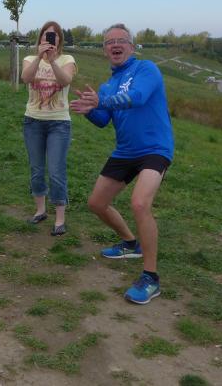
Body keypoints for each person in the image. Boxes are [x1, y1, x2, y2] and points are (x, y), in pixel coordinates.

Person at [70, 23, 174, 305]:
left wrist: (101, 101)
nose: (115, 45)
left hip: (155, 148)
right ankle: (130, 243)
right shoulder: (108, 85)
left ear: (132, 46)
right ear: (105, 50)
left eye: (121, 40)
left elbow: (137, 97)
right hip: (125, 151)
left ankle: (151, 278)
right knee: (96, 203)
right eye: (109, 42)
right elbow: (104, 120)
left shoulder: (146, 69)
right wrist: (89, 110)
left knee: (140, 204)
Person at [21, 21, 77, 236]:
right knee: (36, 169)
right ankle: (40, 210)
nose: (49, 39)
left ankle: (60, 219)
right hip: (33, 121)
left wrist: (52, 61)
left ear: (59, 39)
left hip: (59, 123)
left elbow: (65, 81)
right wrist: (39, 57)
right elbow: (25, 78)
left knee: (55, 170)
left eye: (53, 35)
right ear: (40, 38)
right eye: (46, 35)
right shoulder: (29, 59)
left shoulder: (67, 59)